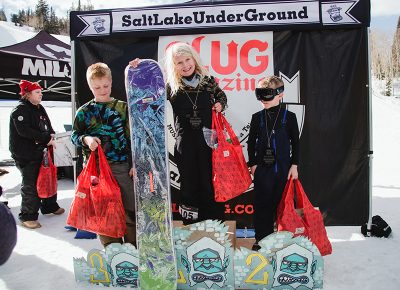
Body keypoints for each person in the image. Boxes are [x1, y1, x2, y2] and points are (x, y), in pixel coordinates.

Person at [130, 43, 228, 225]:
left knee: (209, 182)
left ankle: (214, 223)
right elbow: (148, 96)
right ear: (172, 66)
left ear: (194, 59)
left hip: (209, 140)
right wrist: (139, 68)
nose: (185, 65)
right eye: (179, 63)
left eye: (187, 60)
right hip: (186, 143)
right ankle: (191, 225)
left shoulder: (208, 81)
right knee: (189, 184)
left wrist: (220, 104)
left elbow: (222, 96)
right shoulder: (171, 86)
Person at [71, 62, 136, 248]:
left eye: (105, 86)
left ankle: (133, 249)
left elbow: (133, 138)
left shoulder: (122, 108)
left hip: (121, 167)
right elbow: (74, 136)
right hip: (97, 171)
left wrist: (134, 164)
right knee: (104, 213)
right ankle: (113, 251)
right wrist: (87, 139)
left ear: (111, 82)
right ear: (90, 86)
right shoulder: (84, 111)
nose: (102, 90)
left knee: (129, 210)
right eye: (97, 87)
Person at [247, 76, 300, 251]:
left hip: (284, 171)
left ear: (280, 94)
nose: (263, 100)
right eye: (260, 96)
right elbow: (251, 142)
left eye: (267, 96)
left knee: (284, 207)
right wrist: (253, 164)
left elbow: (297, 143)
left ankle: (284, 240)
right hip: (263, 171)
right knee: (262, 206)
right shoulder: (257, 117)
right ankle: (262, 240)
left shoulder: (290, 117)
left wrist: (295, 165)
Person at [9, 80, 65, 230]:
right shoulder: (19, 110)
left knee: (48, 178)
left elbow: (47, 124)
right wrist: (46, 138)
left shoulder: (39, 108)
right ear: (27, 94)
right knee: (31, 184)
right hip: (26, 154)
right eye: (37, 92)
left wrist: (51, 134)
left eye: (41, 92)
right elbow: (24, 131)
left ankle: (49, 206)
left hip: (41, 151)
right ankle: (27, 216)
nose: (41, 94)